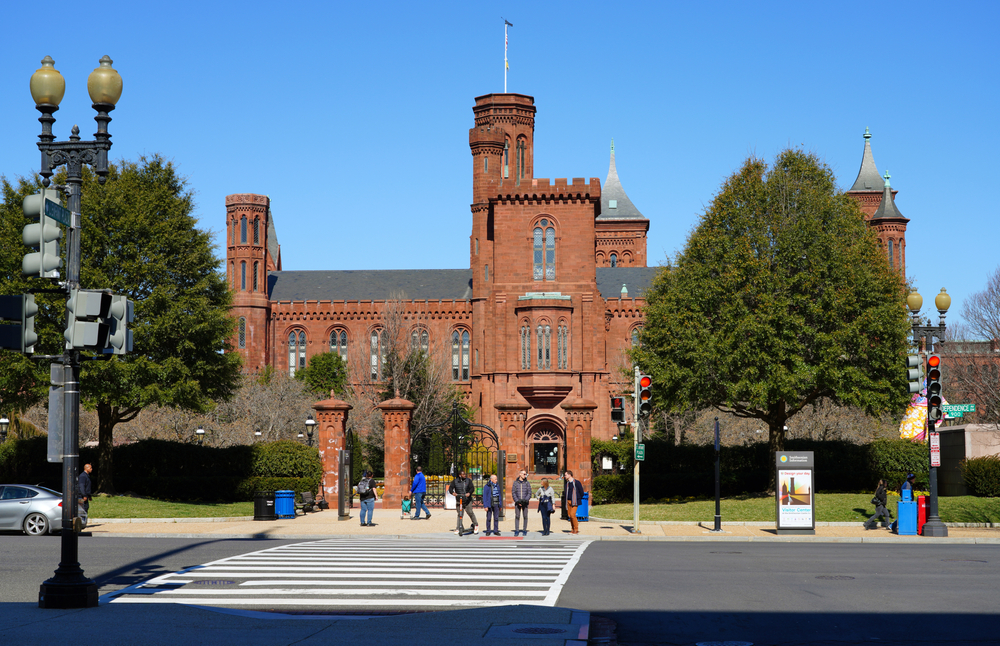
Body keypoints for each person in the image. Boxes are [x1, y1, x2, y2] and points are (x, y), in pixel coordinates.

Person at [448, 470, 478, 535]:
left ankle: (476, 525)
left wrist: (469, 493)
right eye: (463, 474)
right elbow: (450, 488)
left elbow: (472, 488)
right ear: (460, 475)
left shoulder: (468, 480)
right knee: (460, 514)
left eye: (465, 474)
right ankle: (458, 527)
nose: (465, 475)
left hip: (467, 500)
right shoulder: (455, 481)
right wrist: (453, 493)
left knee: (470, 512)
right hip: (459, 500)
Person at [511, 469, 532, 536]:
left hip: (525, 502)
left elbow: (529, 493)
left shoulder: (527, 483)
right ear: (520, 474)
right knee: (517, 516)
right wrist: (517, 501)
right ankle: (517, 530)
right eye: (524, 474)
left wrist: (525, 500)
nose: (525, 475)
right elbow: (513, 492)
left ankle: (524, 530)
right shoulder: (515, 483)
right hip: (518, 502)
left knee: (525, 516)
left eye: (525, 474)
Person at [563, 470, 584, 534]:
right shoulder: (567, 484)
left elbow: (581, 492)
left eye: (566, 475)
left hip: (574, 501)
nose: (565, 476)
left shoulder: (577, 482)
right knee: (570, 515)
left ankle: (576, 529)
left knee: (572, 515)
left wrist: (577, 498)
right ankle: (572, 529)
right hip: (568, 501)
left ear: (569, 475)